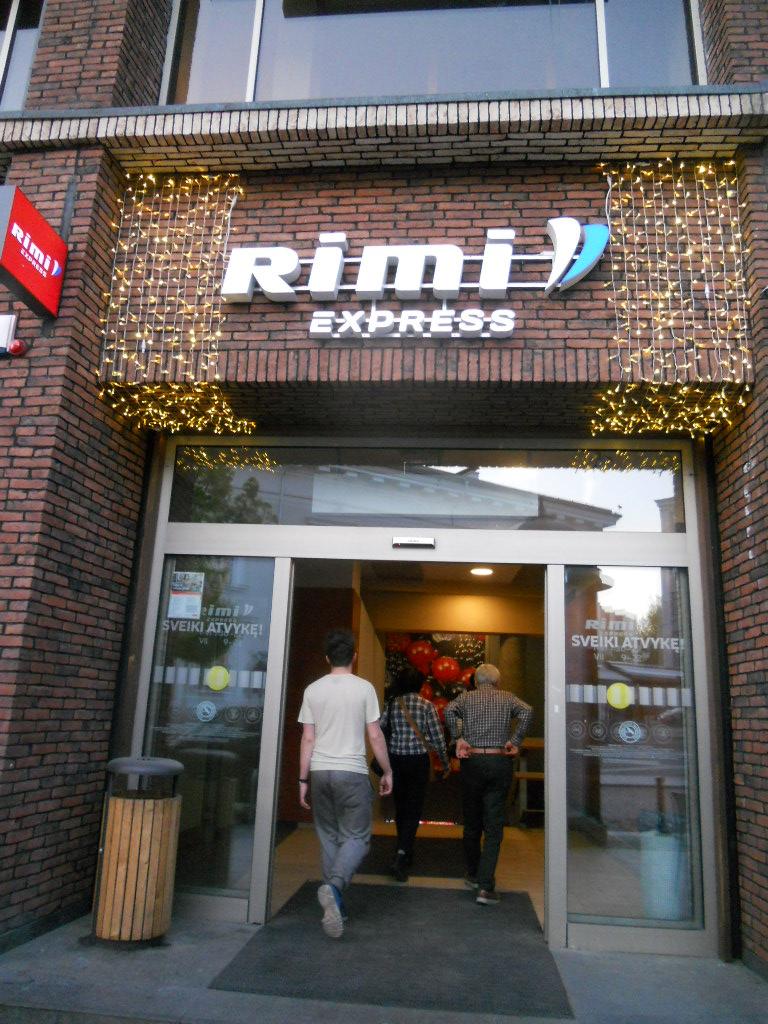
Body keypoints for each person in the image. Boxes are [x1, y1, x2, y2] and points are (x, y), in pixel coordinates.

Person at [298, 628, 393, 939]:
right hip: (351, 772)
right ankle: (335, 887)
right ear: (355, 656)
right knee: (357, 837)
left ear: (328, 658)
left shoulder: (313, 690)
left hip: (319, 771)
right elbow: (375, 735)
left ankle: (335, 902)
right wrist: (387, 771)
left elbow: (308, 738)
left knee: (329, 837)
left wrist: (302, 779)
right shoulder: (364, 689)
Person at [444, 662, 532, 907]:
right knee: (493, 827)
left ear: (475, 681)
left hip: (472, 762)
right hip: (498, 761)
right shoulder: (508, 697)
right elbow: (527, 711)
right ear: (497, 682)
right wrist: (515, 740)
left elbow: (449, 710)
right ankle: (485, 886)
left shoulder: (465, 698)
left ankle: (473, 874)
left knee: (472, 822)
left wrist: (458, 738)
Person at [379, 665, 450, 882]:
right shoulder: (427, 706)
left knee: (401, 807)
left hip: (396, 761)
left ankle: (403, 848)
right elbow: (438, 738)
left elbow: (381, 728)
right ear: (419, 685)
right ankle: (402, 854)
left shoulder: (392, 704)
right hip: (418, 762)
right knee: (414, 808)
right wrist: (445, 763)